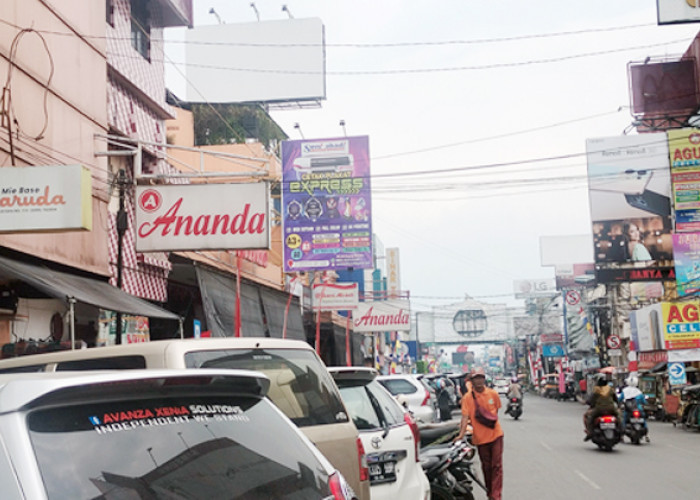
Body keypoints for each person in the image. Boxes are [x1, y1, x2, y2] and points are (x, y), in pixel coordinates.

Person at [454, 367, 503, 500]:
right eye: (476, 378)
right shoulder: (467, 398)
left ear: (484, 379)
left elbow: (495, 414)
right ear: (472, 381)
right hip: (480, 439)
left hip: (496, 435)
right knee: (487, 467)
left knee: (496, 466)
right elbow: (464, 417)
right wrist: (461, 434)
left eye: (481, 377)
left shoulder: (493, 394)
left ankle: (496, 495)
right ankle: (490, 493)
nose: (479, 381)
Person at [583, 376, 620, 441]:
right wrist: (618, 406)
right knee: (619, 417)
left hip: (599, 410)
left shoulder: (597, 390)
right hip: (611, 409)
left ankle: (590, 433)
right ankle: (621, 430)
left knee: (590, 419)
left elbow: (591, 400)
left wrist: (587, 402)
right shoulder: (610, 389)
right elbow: (616, 399)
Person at [620, 375, 650, 442]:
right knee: (643, 419)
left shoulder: (624, 391)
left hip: (628, 410)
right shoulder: (639, 392)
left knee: (624, 420)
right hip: (639, 409)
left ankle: (621, 435)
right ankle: (647, 435)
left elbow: (619, 399)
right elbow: (644, 401)